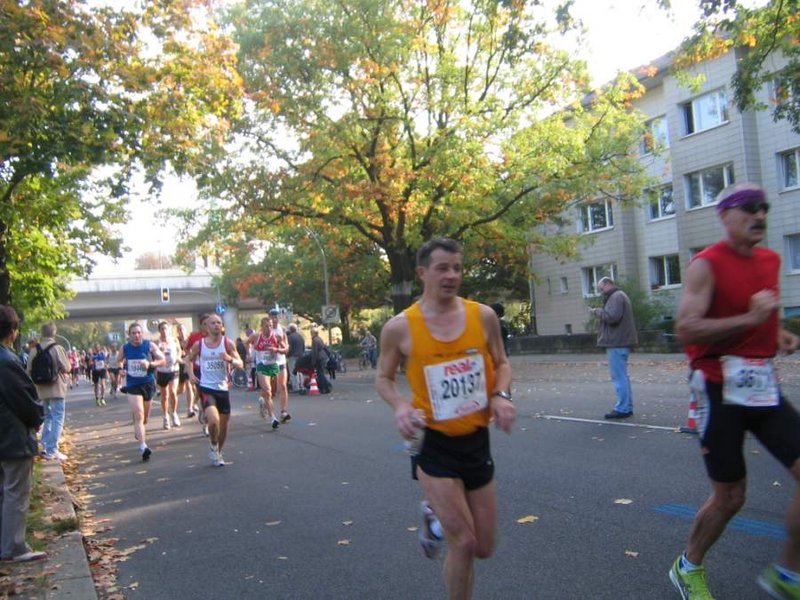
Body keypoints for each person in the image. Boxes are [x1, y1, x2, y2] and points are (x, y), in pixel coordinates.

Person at [668, 182, 800, 600]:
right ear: (725, 216)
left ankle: (788, 573)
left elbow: (758, 314)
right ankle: (687, 565)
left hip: (761, 384)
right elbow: (686, 327)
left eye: (763, 207)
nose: (758, 215)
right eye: (747, 208)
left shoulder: (771, 259)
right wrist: (749, 319)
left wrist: (775, 330)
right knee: (731, 497)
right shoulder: (706, 265)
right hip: (716, 385)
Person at [375, 238, 515, 600]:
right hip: (432, 443)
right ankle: (443, 524)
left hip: (475, 439)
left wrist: (500, 395)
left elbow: (501, 364)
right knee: (464, 543)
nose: (452, 275)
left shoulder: (482, 316)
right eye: (442, 268)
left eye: (457, 268)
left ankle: (433, 522)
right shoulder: (399, 327)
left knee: (484, 547)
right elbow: (384, 378)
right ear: (423, 273)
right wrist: (401, 406)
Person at [0, 305, 46, 562]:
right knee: (17, 491)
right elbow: (25, 401)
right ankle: (14, 547)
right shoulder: (7, 361)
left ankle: (6, 543)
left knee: (4, 491)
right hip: (11, 435)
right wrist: (37, 419)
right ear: (13, 331)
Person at [184, 314, 243, 467]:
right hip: (206, 388)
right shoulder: (200, 345)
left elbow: (240, 363)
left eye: (219, 323)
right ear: (207, 327)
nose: (216, 325)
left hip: (222, 389)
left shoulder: (227, 343)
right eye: (213, 323)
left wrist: (229, 359)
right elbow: (188, 359)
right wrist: (190, 374)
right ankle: (213, 443)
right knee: (214, 420)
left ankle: (218, 452)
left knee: (223, 426)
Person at [589, 276, 638, 419]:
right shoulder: (619, 296)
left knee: (619, 377)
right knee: (622, 376)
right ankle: (627, 406)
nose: (601, 291)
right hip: (621, 342)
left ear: (608, 283)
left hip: (617, 342)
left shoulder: (616, 297)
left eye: (601, 288)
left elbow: (612, 317)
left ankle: (623, 408)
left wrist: (596, 311)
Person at [118, 322, 165, 461]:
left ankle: (139, 431)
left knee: (144, 418)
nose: (137, 335)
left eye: (139, 332)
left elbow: (162, 360)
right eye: (133, 333)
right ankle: (143, 446)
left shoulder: (149, 345)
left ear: (142, 334)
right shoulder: (125, 348)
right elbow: (119, 360)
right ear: (129, 335)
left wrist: (150, 364)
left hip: (148, 383)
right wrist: (121, 369)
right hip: (133, 384)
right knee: (138, 413)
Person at [27, 322, 70, 461]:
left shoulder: (34, 350)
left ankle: (45, 446)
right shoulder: (57, 348)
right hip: (56, 388)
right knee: (58, 417)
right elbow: (67, 367)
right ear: (54, 333)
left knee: (47, 417)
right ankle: (52, 449)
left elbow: (29, 370)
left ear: (42, 333)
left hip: (41, 389)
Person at [247, 316, 285, 428]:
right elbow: (247, 342)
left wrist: (277, 350)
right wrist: (248, 354)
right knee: (268, 391)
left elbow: (285, 350)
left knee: (272, 392)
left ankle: (262, 401)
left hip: (273, 365)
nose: (269, 328)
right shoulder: (256, 336)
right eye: (266, 326)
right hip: (261, 366)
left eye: (270, 326)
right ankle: (273, 418)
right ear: (261, 327)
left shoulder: (277, 336)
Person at [155, 321, 181, 430]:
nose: (164, 331)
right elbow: (152, 355)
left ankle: (174, 413)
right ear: (159, 331)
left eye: (166, 328)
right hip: (162, 371)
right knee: (164, 395)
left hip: (173, 369)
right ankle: (165, 416)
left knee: (173, 392)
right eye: (162, 329)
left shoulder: (174, 340)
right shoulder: (157, 342)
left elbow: (179, 351)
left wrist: (178, 359)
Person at [268, 308, 291, 421]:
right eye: (272, 317)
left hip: (281, 361)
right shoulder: (265, 330)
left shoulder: (282, 330)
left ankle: (284, 412)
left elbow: (286, 348)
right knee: (271, 390)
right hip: (269, 363)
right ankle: (267, 408)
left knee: (283, 386)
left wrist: (280, 347)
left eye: (276, 317)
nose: (274, 319)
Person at [310, 327, 332, 394]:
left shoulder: (314, 340)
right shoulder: (319, 338)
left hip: (319, 358)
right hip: (323, 356)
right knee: (321, 373)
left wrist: (313, 361)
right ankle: (327, 387)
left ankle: (324, 388)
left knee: (320, 374)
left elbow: (315, 351)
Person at [286, 323, 305, 392]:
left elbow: (289, 348)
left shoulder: (290, 337)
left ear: (290, 330)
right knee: (300, 371)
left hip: (292, 356)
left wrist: (287, 355)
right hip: (300, 356)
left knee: (293, 372)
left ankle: (295, 387)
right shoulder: (300, 336)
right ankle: (301, 385)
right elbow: (303, 347)